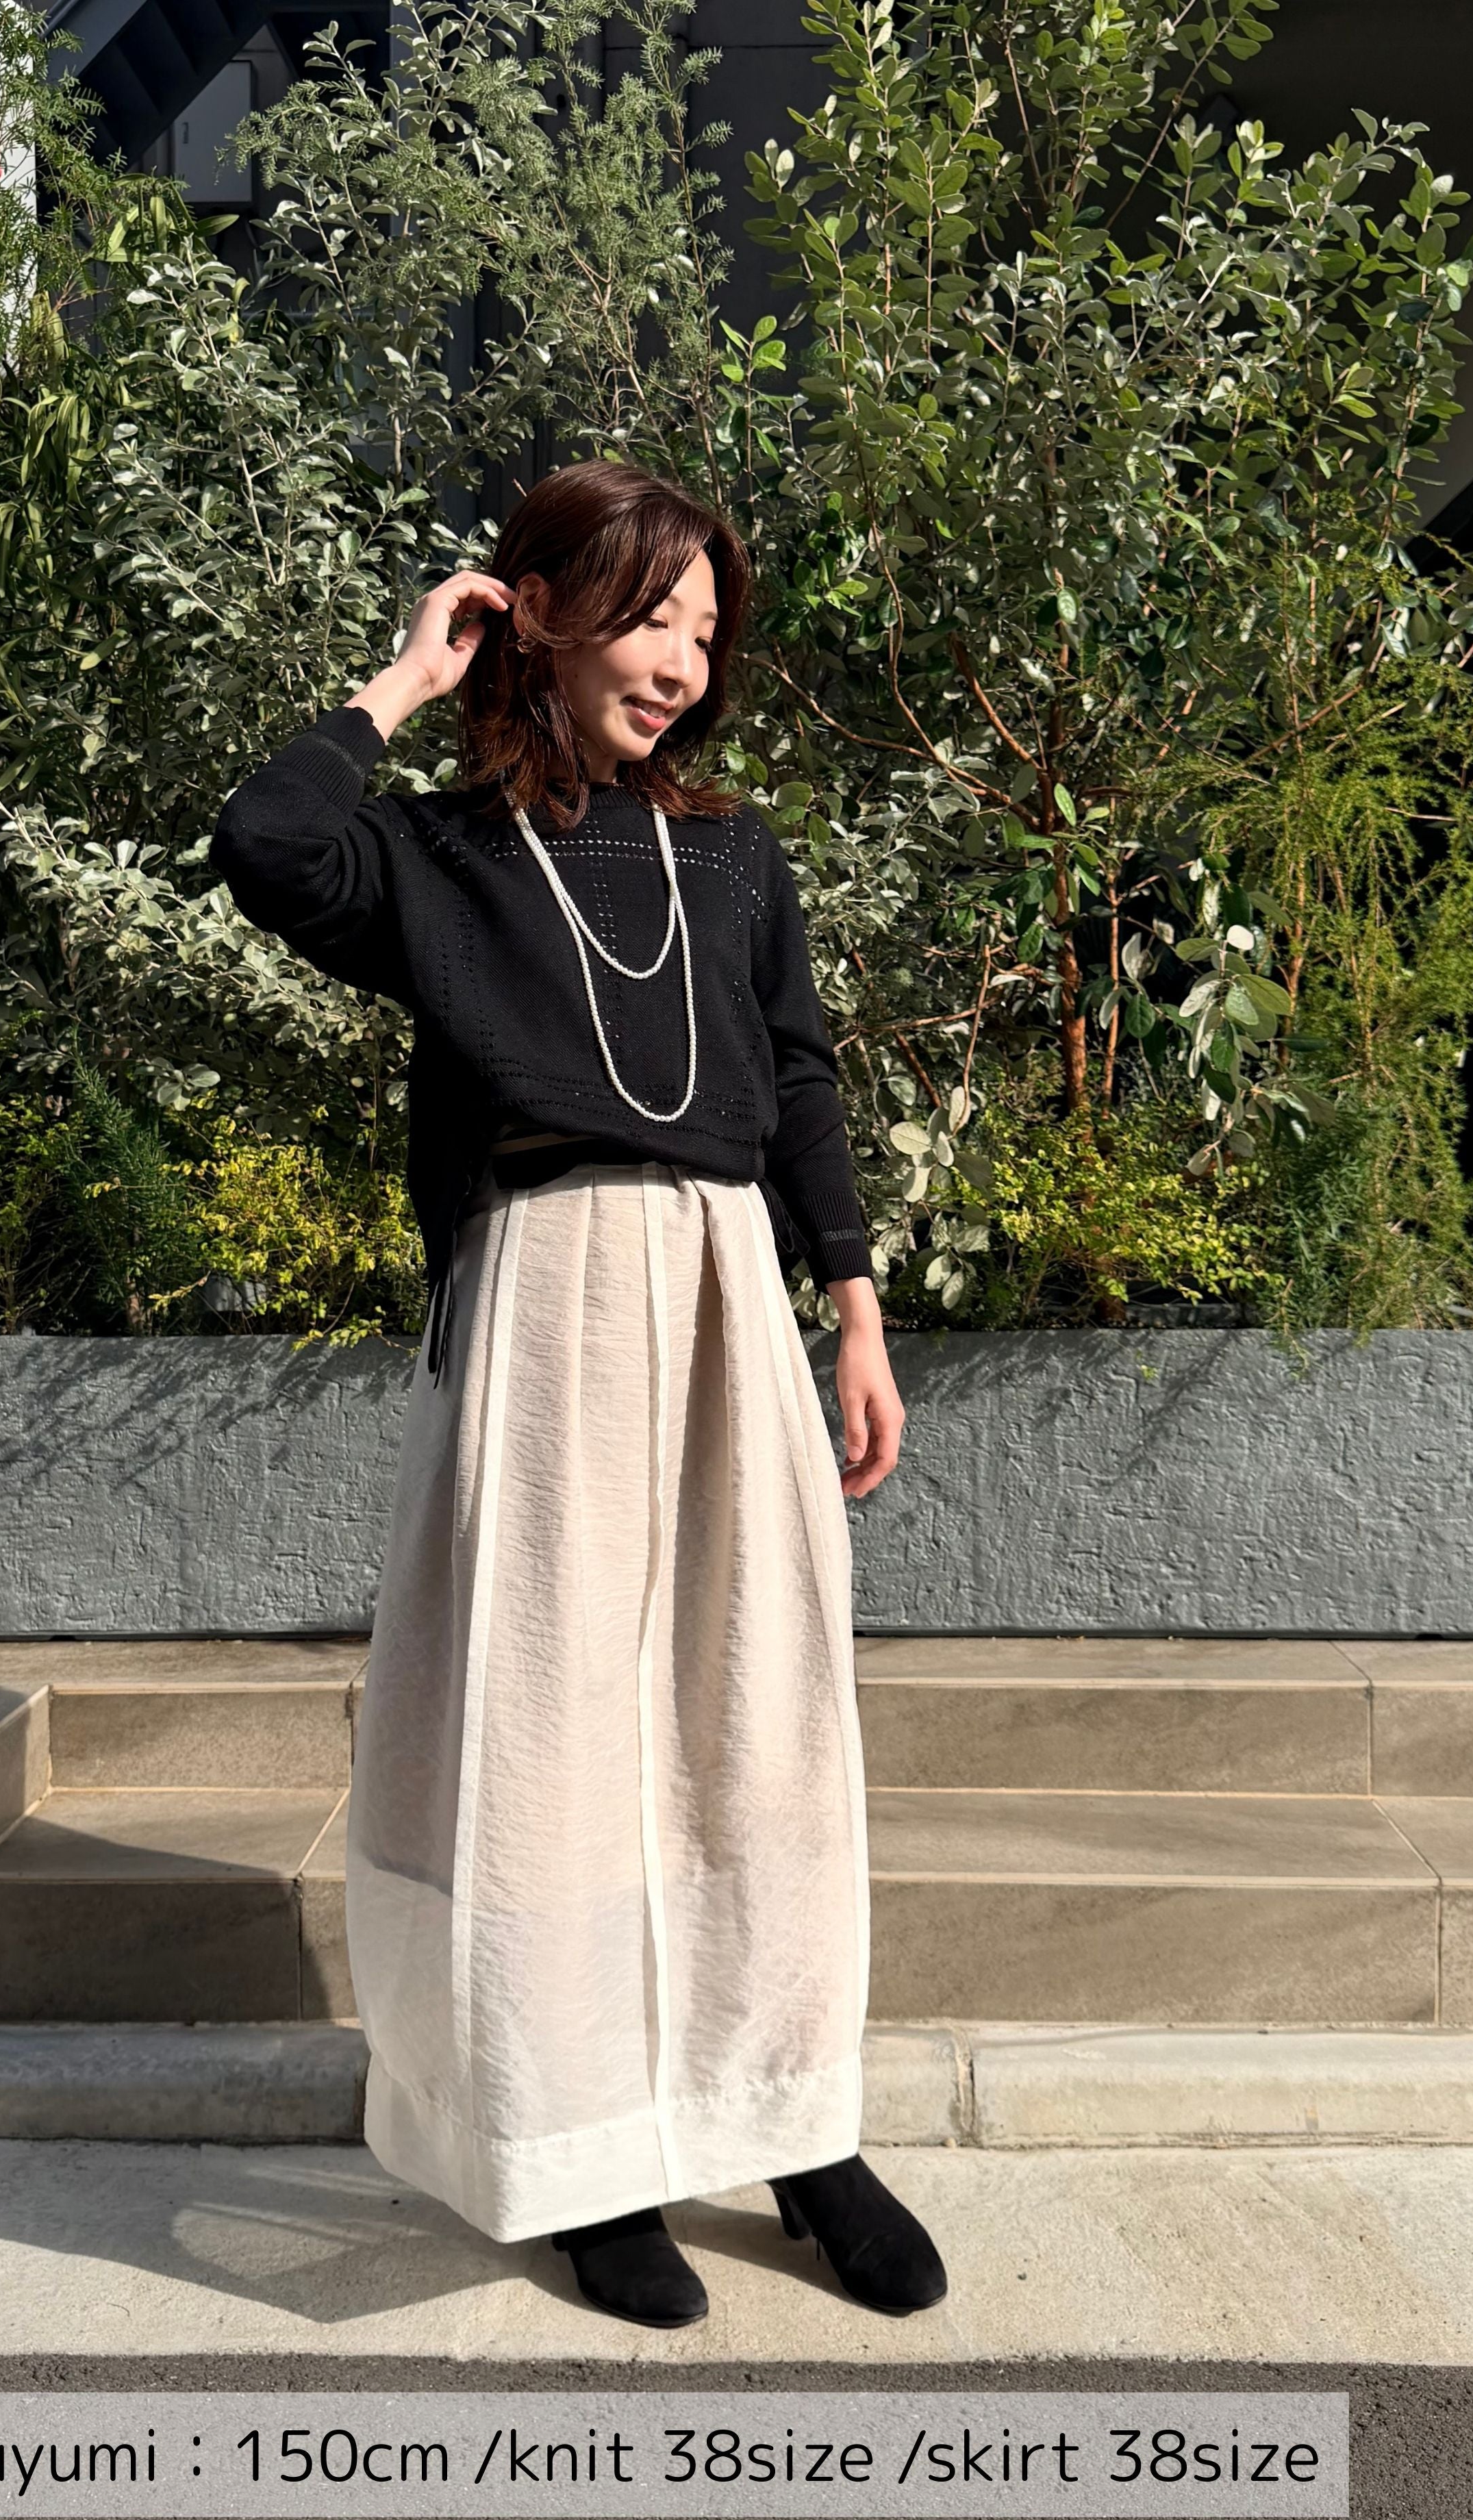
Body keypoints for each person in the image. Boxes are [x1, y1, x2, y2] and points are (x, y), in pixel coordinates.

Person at [210, 457, 946, 2328]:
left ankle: (796, 2123)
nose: (684, 659)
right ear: (533, 613)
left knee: (760, 1715)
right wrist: (405, 675)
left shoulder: (736, 854)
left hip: (726, 1292)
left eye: (706, 627)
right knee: (549, 1738)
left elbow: (795, 1077)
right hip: (546, 1295)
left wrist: (854, 1308)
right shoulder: (446, 855)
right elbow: (266, 843)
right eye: (647, 614)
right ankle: (582, 2152)